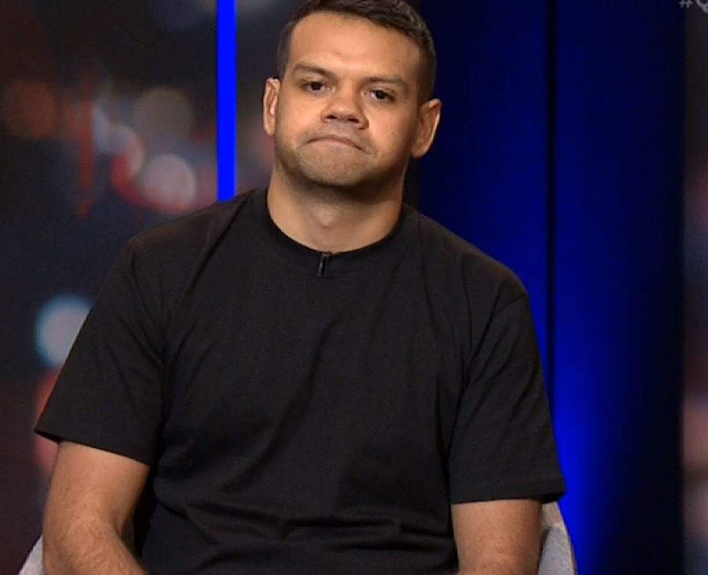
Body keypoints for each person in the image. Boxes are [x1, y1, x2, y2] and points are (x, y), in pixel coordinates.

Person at [36, 1, 566, 573]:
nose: (344, 109)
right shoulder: (159, 271)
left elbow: (500, 562)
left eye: (380, 94)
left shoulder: (484, 302)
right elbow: (78, 532)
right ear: (272, 105)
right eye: (316, 84)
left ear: (424, 127)